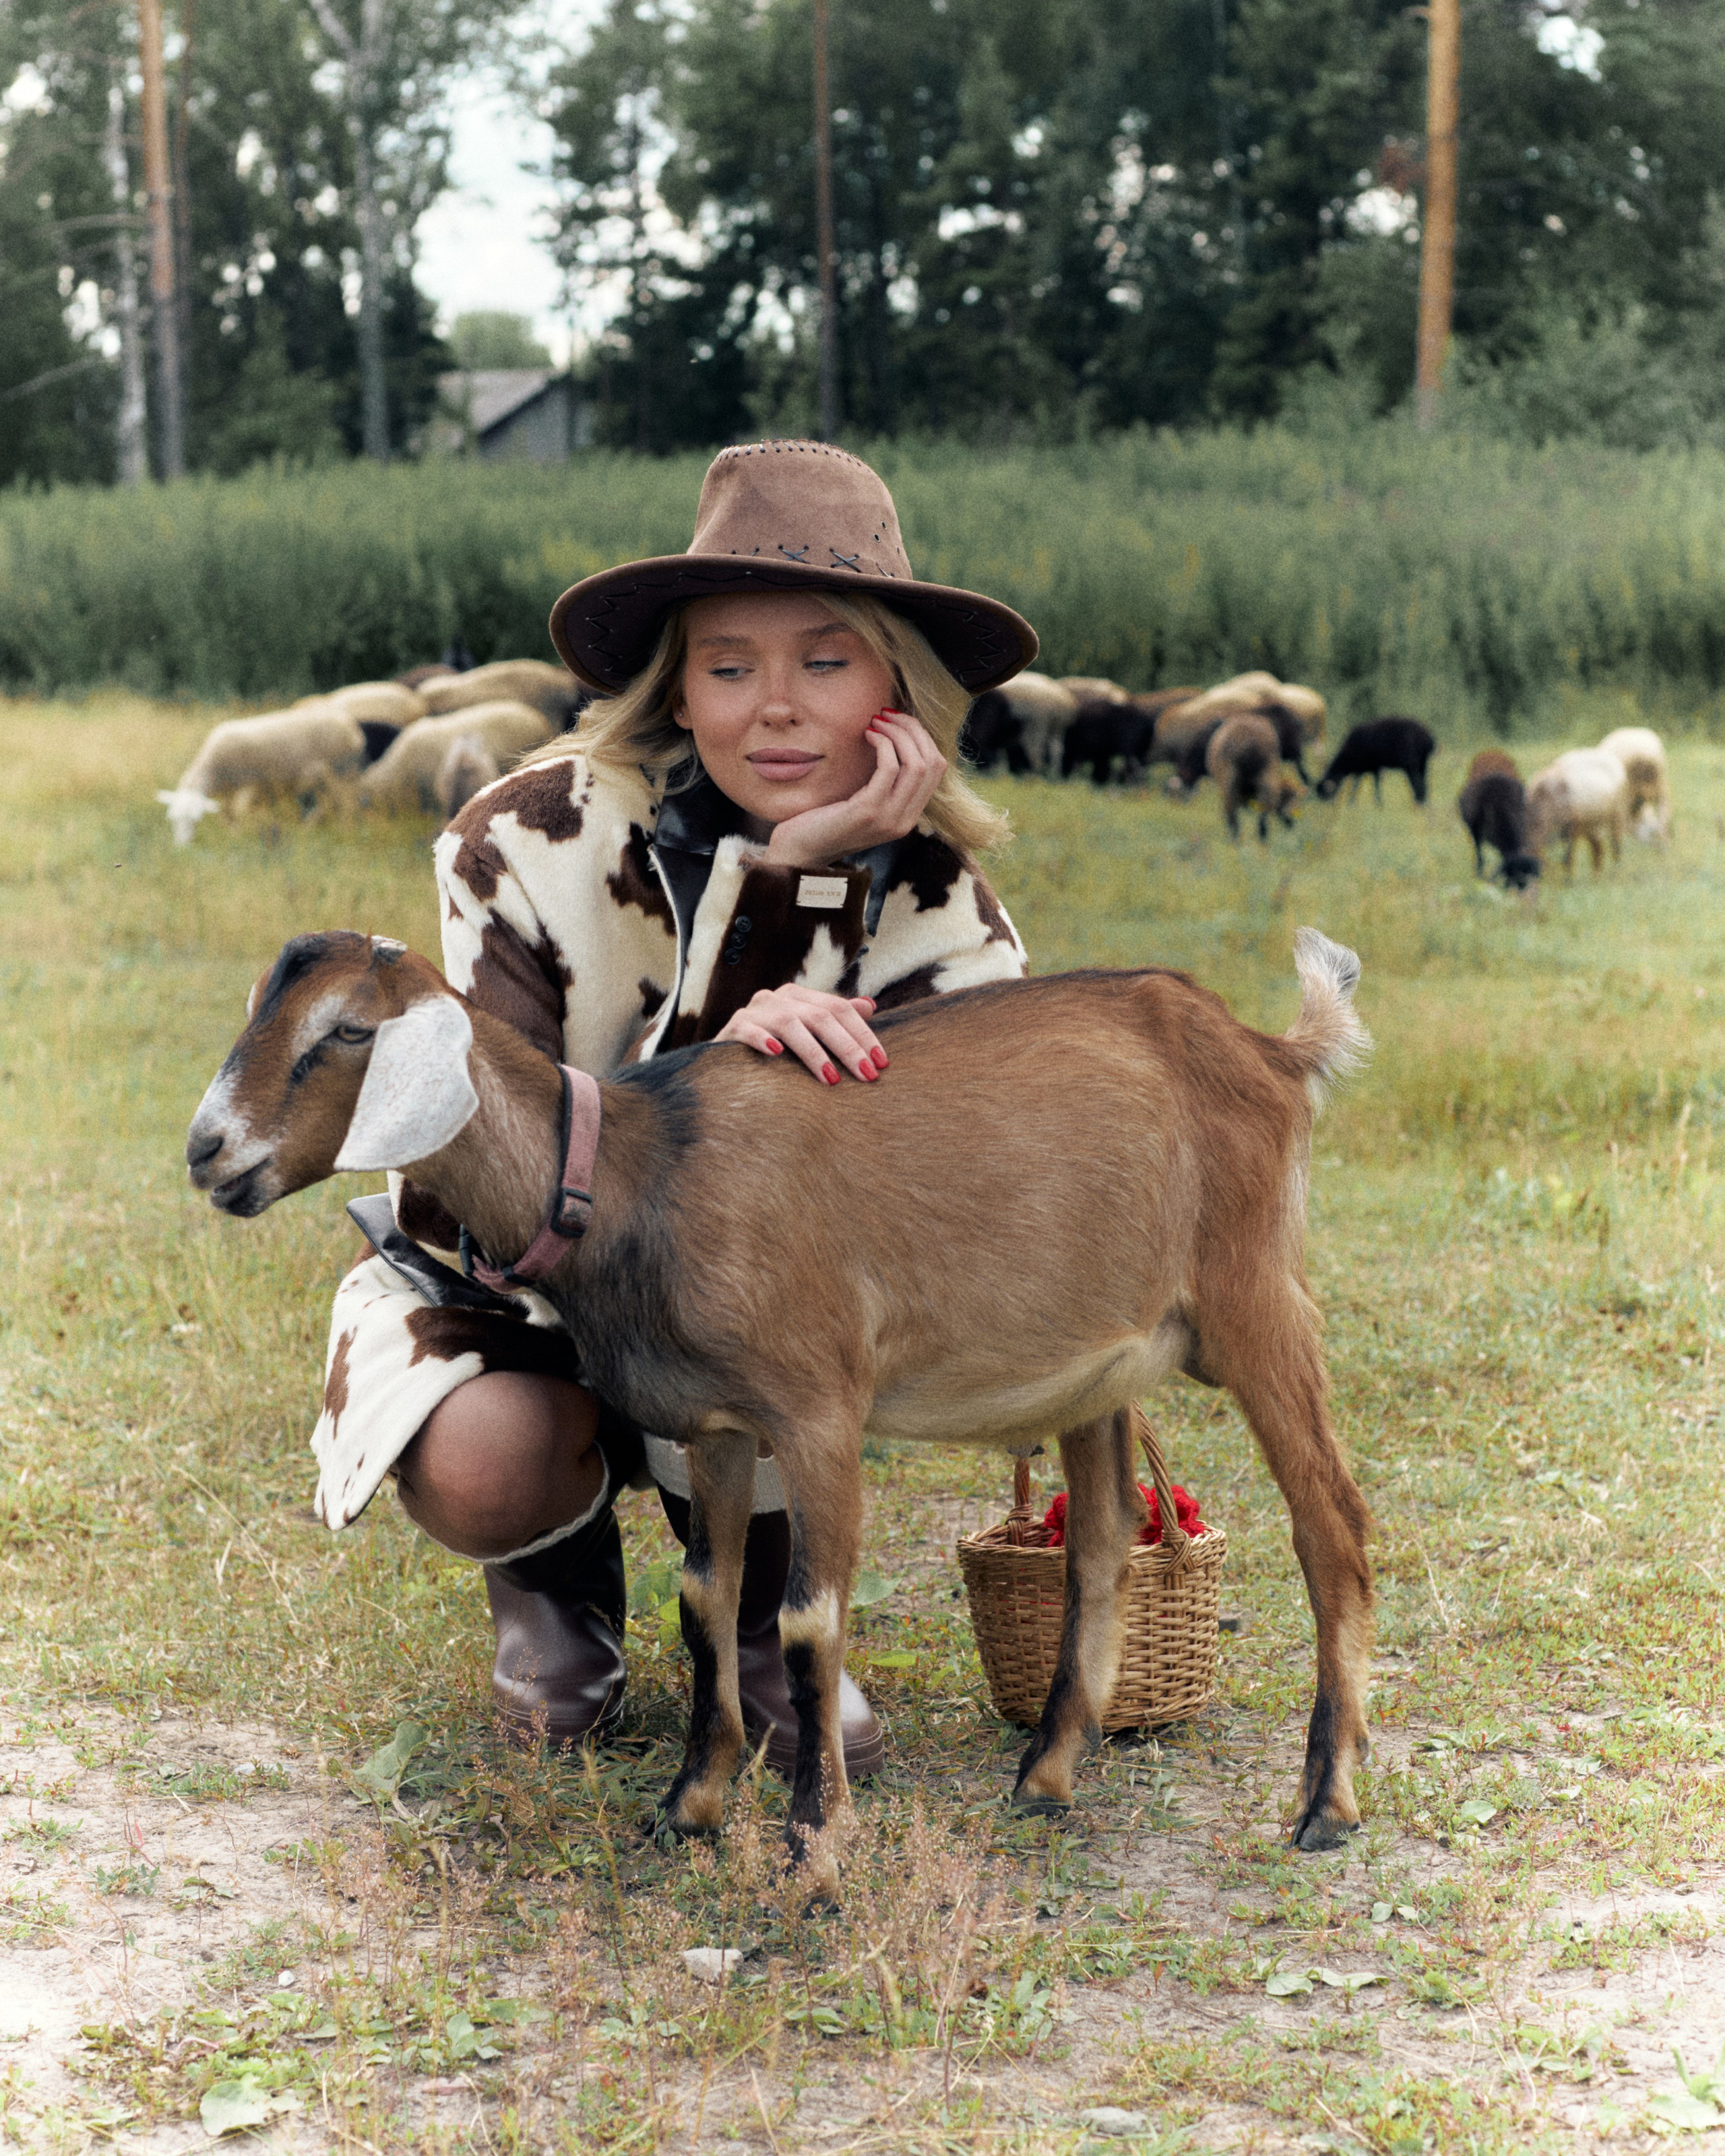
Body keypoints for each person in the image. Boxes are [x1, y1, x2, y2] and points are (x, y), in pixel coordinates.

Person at [312, 439, 1038, 1775]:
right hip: (513, 1291)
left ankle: (760, 1620)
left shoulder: (936, 906)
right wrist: (747, 943)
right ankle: (554, 1581)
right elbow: (465, 1180)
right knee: (484, 1455)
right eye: (726, 664)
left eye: (825, 661)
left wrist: (807, 875)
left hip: (768, 1325)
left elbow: (967, 1204)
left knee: (769, 1284)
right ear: (675, 684)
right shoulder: (523, 841)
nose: (775, 707)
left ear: (895, 686)